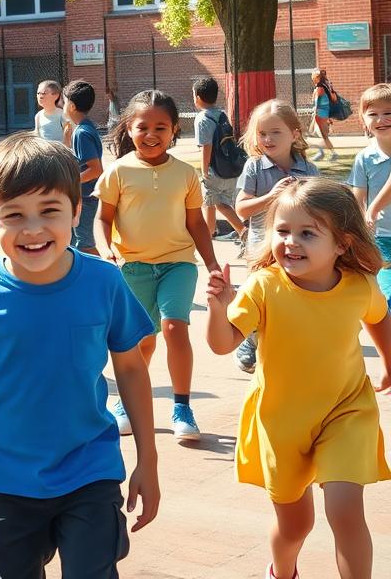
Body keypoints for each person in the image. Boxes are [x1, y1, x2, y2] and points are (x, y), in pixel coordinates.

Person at [0, 134, 159, 578]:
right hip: (7, 477)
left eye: (49, 211)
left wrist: (148, 459)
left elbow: (130, 368)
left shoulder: (104, 282)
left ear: (76, 212)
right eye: (13, 215)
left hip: (91, 469)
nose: (32, 229)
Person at [205, 178, 391, 579]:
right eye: (283, 230)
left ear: (342, 243)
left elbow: (379, 318)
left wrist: (390, 364)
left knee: (345, 510)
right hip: (281, 421)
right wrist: (220, 307)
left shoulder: (359, 286)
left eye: (307, 233)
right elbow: (223, 344)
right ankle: (282, 572)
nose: (290, 242)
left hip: (347, 410)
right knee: (296, 525)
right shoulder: (264, 286)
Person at [94, 89, 220, 442]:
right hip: (132, 267)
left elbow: (196, 223)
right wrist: (106, 250)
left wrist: (211, 263)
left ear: (175, 129)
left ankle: (182, 407)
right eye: (143, 127)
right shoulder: (117, 171)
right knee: (140, 342)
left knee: (174, 327)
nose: (151, 134)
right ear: (128, 129)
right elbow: (103, 219)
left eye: (161, 127)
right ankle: (125, 404)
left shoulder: (185, 173)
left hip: (177, 264)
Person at [234, 100, 319, 373]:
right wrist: (271, 196)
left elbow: (320, 210)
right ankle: (250, 339)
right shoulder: (255, 167)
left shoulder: (308, 170)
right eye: (262, 133)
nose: (267, 139)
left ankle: (288, 346)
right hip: (262, 246)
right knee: (261, 296)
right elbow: (241, 208)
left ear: (294, 134)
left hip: (298, 247)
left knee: (295, 295)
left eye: (275, 132)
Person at [348, 83, 391, 305]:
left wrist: (373, 210)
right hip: (383, 238)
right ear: (363, 119)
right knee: (387, 294)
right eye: (373, 114)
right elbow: (358, 196)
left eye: (388, 113)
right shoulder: (365, 158)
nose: (380, 119)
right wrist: (362, 220)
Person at [192, 77, 246, 240]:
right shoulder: (221, 114)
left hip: (214, 169)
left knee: (219, 203)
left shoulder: (202, 119)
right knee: (211, 201)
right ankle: (210, 232)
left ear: (198, 97)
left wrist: (204, 169)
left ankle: (243, 232)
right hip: (228, 168)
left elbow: (206, 146)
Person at [62, 79, 103, 255]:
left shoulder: (82, 133)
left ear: (71, 106)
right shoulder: (82, 128)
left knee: (85, 243)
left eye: (63, 102)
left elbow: (95, 169)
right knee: (72, 242)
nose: (62, 106)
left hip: (86, 197)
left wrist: (69, 182)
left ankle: (109, 275)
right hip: (83, 195)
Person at [310, 68, 338, 162]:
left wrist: (315, 111)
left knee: (321, 135)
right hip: (324, 112)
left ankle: (325, 153)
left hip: (320, 112)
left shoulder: (320, 87)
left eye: (313, 76)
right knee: (320, 134)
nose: (312, 78)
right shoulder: (326, 86)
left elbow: (317, 100)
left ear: (316, 77)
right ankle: (325, 153)